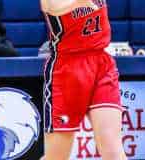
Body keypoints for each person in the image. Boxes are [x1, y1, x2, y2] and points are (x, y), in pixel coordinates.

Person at [40, 0, 127, 159]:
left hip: (101, 62)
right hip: (66, 68)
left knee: (113, 150)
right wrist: (80, 2)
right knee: (57, 156)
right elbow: (50, 7)